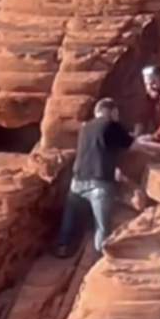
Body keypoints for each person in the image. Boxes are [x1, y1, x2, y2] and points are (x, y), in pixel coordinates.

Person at [55, 98, 134, 258]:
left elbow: (99, 147)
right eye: (116, 113)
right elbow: (132, 145)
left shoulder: (85, 128)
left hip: (77, 182)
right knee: (102, 227)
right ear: (111, 111)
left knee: (69, 220)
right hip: (99, 184)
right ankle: (99, 259)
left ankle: (63, 246)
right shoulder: (111, 124)